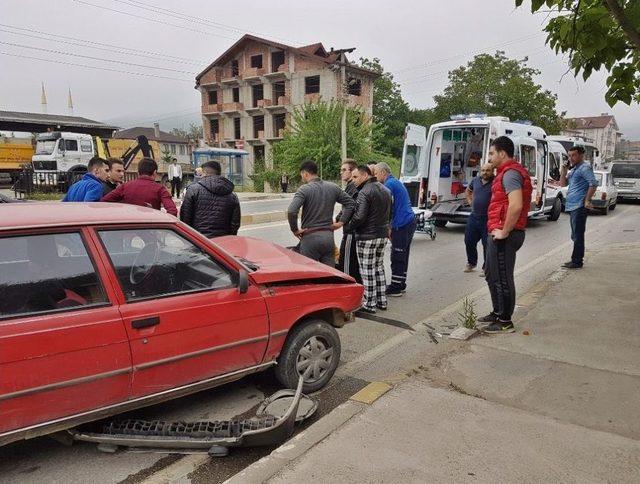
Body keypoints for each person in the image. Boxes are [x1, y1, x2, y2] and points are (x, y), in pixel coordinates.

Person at [479, 136, 532, 334]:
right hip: (496, 231)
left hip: (506, 234)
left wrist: (505, 231)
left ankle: (505, 321)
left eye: (492, 153)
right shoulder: (503, 174)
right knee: (491, 274)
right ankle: (497, 312)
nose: (489, 157)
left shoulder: (510, 174)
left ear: (502, 153)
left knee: (502, 276)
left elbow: (516, 204)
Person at [287, 160, 355, 266]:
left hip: (310, 239)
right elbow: (351, 203)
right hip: (328, 238)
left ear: (305, 173)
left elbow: (292, 211)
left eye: (302, 175)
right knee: (329, 274)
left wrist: (295, 230)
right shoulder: (333, 187)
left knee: (310, 274)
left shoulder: (304, 189)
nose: (302, 178)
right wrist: (341, 222)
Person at [347, 165, 392, 313]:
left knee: (367, 270)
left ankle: (369, 303)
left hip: (367, 236)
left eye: (355, 177)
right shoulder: (385, 189)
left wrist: (348, 226)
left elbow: (359, 217)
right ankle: (382, 300)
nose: (353, 181)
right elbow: (390, 212)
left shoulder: (364, 192)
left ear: (365, 175)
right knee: (378, 268)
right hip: (382, 234)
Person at [374, 162, 416, 296]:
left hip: (401, 223)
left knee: (397, 255)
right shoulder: (395, 182)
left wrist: (388, 226)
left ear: (383, 172)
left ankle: (395, 287)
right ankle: (400, 282)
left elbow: (388, 209)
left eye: (375, 173)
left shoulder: (388, 185)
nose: (375, 177)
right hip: (409, 221)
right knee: (403, 254)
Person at [559, 146, 598, 269]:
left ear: (581, 155)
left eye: (573, 155)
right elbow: (563, 184)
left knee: (578, 235)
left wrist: (587, 200)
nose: (571, 158)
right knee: (575, 234)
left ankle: (576, 261)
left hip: (579, 206)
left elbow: (593, 184)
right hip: (572, 206)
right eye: (569, 156)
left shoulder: (584, 168)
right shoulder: (575, 169)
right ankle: (576, 259)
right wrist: (564, 171)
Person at [179, 160, 241, 237]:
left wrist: (191, 239)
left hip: (199, 242)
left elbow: (185, 218)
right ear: (219, 173)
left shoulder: (193, 190)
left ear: (204, 172)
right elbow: (235, 223)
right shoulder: (231, 194)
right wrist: (229, 238)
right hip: (222, 243)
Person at [101, 157, 177, 216]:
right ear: (154, 172)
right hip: (152, 229)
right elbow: (172, 211)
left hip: (129, 229)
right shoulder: (160, 189)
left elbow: (103, 202)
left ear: (138, 172)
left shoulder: (125, 186)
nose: (121, 174)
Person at [463, 163, 494, 272]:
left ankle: (486, 267)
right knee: (469, 240)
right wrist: (470, 201)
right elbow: (468, 191)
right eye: (483, 170)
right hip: (474, 216)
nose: (485, 172)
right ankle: (471, 263)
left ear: (492, 171)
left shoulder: (495, 182)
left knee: (487, 244)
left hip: (487, 218)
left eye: (488, 170)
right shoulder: (475, 181)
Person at [337, 159, 361, 282]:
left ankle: (348, 288)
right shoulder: (350, 187)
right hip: (351, 230)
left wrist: (340, 221)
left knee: (346, 263)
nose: (341, 173)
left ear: (351, 172)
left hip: (350, 231)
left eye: (343, 170)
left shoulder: (352, 187)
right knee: (352, 262)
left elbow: (350, 207)